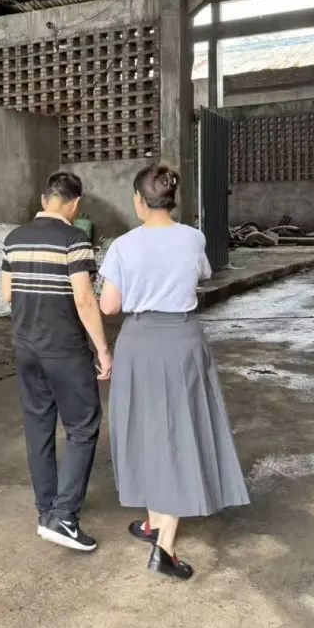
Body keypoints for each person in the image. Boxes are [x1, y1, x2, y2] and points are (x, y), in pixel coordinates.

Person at [99, 163, 249, 581]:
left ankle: (164, 546)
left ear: (138, 200)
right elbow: (202, 274)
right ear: (171, 199)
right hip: (181, 339)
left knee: (147, 429)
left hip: (139, 342)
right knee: (179, 428)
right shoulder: (192, 237)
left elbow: (109, 305)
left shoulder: (123, 246)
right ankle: (154, 525)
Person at [1, 172, 112, 552]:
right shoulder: (74, 240)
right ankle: (63, 517)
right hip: (64, 349)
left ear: (43, 198)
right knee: (82, 426)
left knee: (38, 427)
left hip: (25, 346)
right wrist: (103, 349)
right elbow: (84, 300)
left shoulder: (13, 239)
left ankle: (46, 510)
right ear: (75, 203)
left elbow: (7, 294)